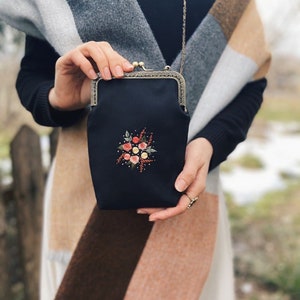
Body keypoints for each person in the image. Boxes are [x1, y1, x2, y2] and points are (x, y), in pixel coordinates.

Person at [0, 0, 270, 299]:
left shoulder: (233, 4)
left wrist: (210, 144)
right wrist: (59, 99)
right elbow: (32, 76)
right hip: (82, 201)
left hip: (191, 197)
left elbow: (251, 82)